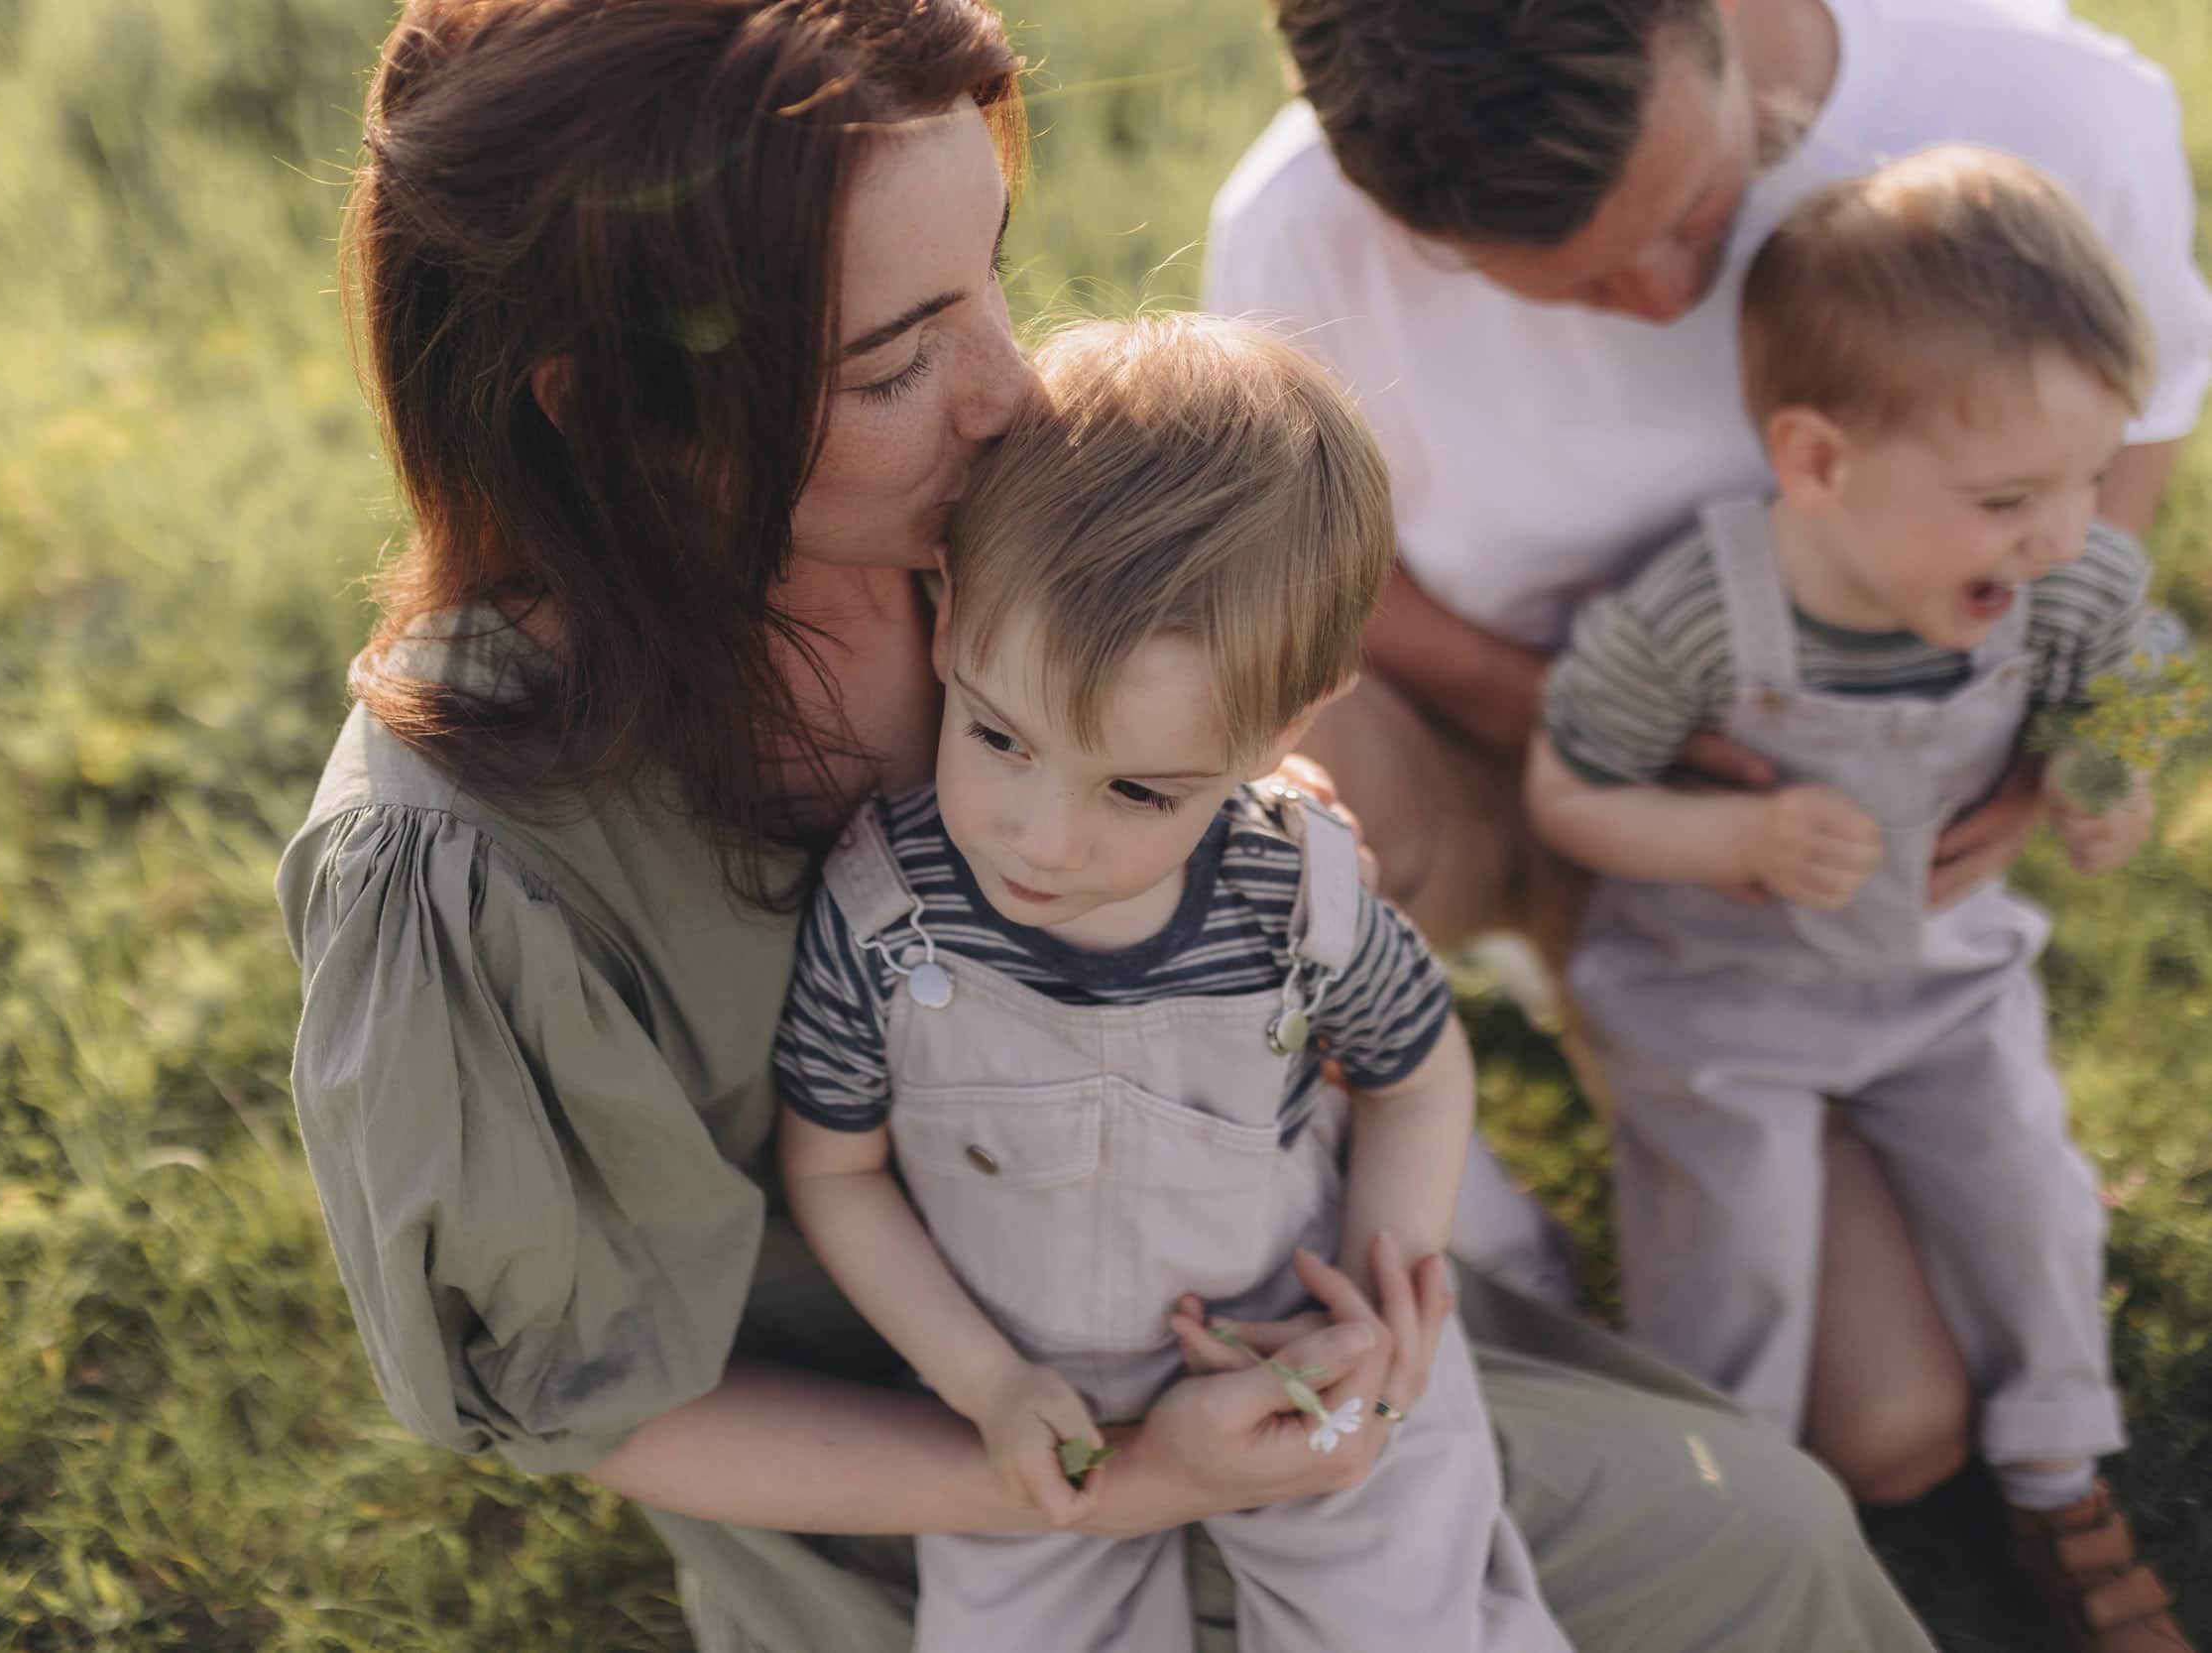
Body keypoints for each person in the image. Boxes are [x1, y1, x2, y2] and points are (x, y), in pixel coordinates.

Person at [278, 2, 1942, 1648]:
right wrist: (1114, 1478)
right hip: (941, 1478)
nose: (1009, 388)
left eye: (988, 274)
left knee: (1771, 1531)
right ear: (611, 406)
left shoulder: (1004, 523)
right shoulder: (462, 857)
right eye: (893, 358)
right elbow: (584, 1403)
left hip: (1248, 1287)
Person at [1204, 0, 2212, 1506]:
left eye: (1698, 210)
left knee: (1890, 1432)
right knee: (1266, 756)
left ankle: (1642, 1084)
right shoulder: (1299, 230)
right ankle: (1455, 1233)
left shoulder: (2052, 105)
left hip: (1820, 863)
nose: (1675, 297)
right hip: (1507, 763)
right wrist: (1605, 725)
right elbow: (1332, 574)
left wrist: (2047, 725)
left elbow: (2121, 460)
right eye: (1576, 286)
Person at [775, 312, 1571, 1651]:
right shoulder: (880, 917)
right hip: (1038, 1393)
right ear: (952, 618)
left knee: (1409, 1621)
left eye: (1139, 789)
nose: (1041, 834)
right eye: (999, 735)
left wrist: (1387, 1295)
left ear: (1285, 729)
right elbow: (833, 1171)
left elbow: (1417, 1075)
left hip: (1289, 1345)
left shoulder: (1291, 897)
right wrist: (985, 1383)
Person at [1523, 146, 2188, 1653]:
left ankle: (2056, 1473)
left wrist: (2102, 777)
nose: (2065, 535)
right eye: (2012, 496)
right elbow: (1564, 791)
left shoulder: (2058, 583)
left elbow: (2146, 673)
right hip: (1720, 998)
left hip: (1937, 981)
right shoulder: (1700, 607)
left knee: (2022, 1173)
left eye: (2090, 478)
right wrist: (1729, 846)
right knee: (1736, 1235)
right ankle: (1722, 1501)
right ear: (1817, 462)